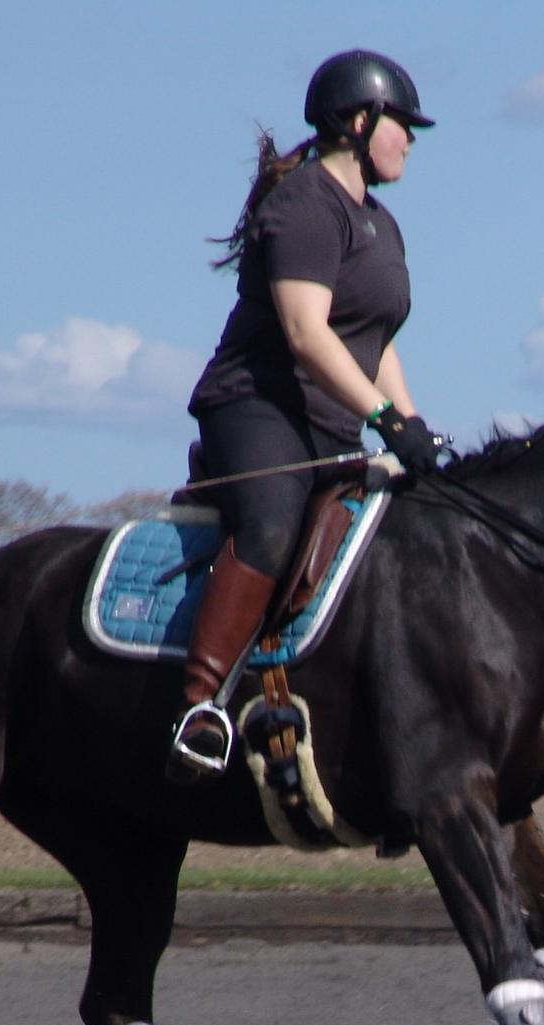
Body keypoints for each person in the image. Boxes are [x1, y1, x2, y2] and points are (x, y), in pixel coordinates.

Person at [167, 48, 440, 781]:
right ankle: (202, 704)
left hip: (332, 419)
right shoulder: (305, 206)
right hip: (257, 408)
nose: (411, 139)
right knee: (274, 525)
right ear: (359, 123)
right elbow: (307, 333)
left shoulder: (381, 225)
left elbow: (373, 343)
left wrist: (415, 427)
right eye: (402, 125)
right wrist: (386, 419)